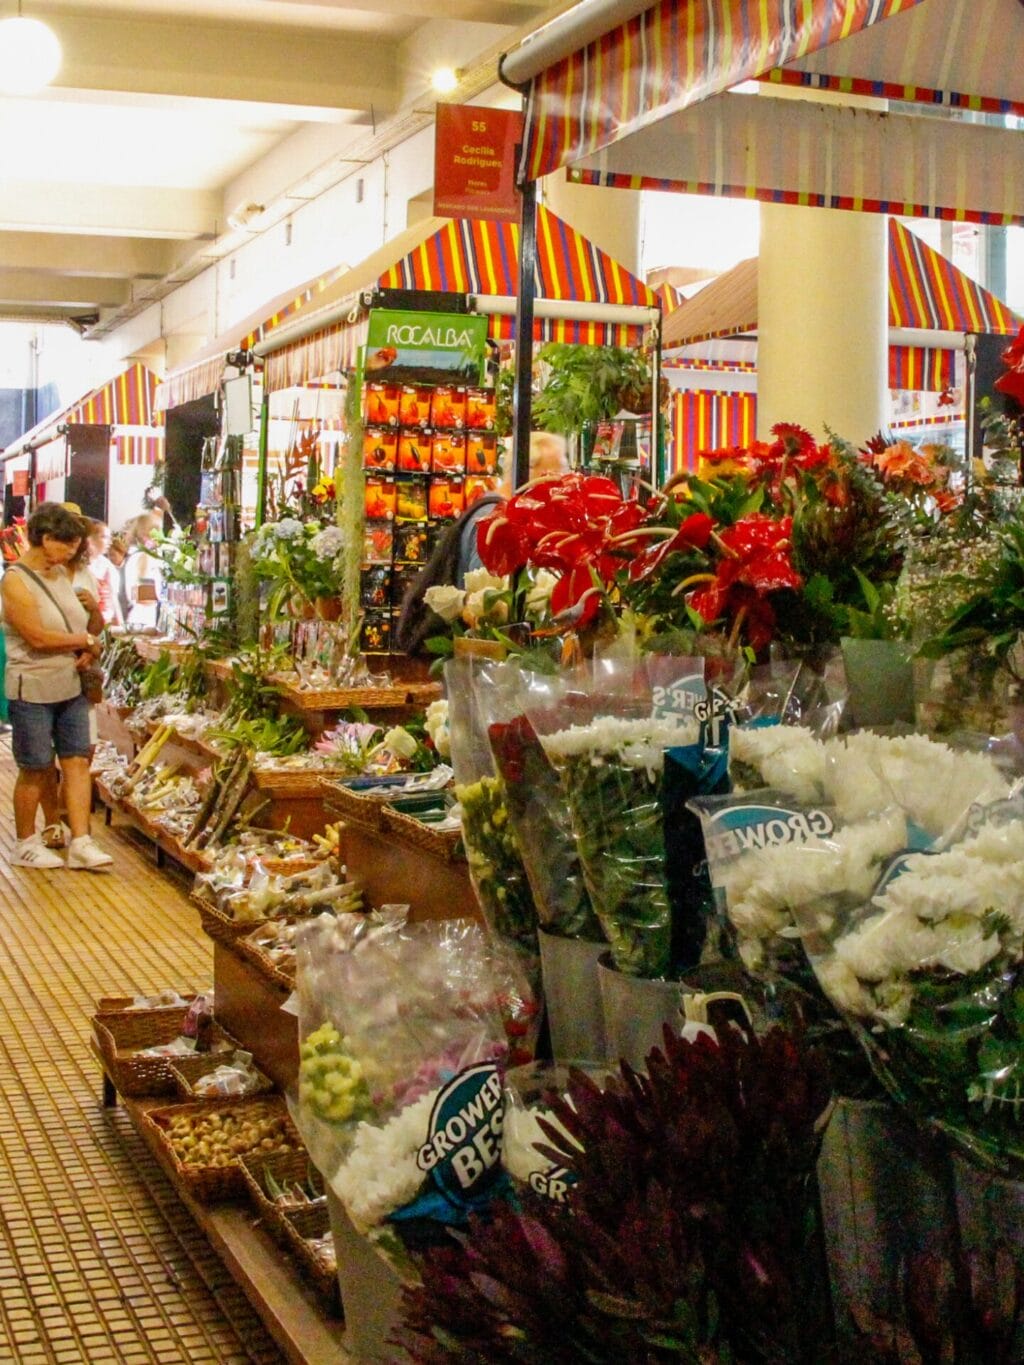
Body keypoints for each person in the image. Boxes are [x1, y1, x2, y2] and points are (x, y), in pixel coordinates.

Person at [1, 502, 112, 870]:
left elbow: (77, 626)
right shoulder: (15, 580)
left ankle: (80, 839)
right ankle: (25, 842)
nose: (71, 553)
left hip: (71, 683)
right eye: (66, 545)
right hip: (32, 685)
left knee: (77, 760)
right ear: (46, 539)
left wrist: (85, 644)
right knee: (35, 767)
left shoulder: (61, 575)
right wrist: (83, 641)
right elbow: (36, 637)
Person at [395, 432, 569, 655]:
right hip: (486, 671)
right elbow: (486, 610)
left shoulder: (498, 512)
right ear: (534, 475)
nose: (564, 482)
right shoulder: (497, 520)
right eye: (560, 472)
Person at [122, 510, 164, 628]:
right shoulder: (140, 558)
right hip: (144, 619)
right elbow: (143, 597)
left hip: (150, 617)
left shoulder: (154, 557)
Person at [83, 520, 124, 626]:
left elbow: (113, 600)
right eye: (104, 537)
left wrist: (120, 625)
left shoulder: (107, 566)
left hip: (104, 622)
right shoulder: (78, 565)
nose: (110, 542)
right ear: (90, 538)